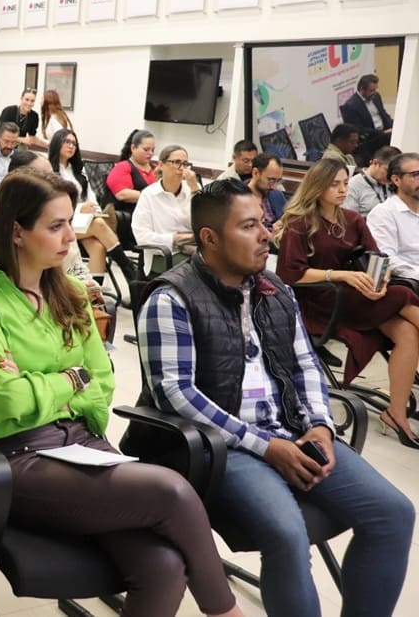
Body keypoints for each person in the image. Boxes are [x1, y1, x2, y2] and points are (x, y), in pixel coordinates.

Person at [0, 169, 244, 617]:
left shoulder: (70, 292)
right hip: (15, 459)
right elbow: (4, 399)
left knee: (163, 567)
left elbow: (101, 381)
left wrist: (46, 384)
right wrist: (71, 380)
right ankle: (225, 612)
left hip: (85, 448)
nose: (72, 236)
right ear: (17, 232)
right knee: (173, 491)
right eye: (56, 226)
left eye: (70, 222)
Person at [137, 178, 414, 617]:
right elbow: (176, 393)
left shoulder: (276, 290)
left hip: (291, 430)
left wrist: (320, 424)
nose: (266, 235)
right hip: (221, 448)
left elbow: (306, 365)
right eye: (249, 226)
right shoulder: (171, 298)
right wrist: (265, 446)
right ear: (210, 238)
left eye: (264, 223)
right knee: (287, 533)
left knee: (394, 514)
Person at [275, 158, 419, 448]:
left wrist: (381, 279)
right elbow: (291, 274)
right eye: (334, 185)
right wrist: (341, 275)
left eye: (344, 183)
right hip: (321, 300)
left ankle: (396, 414)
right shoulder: (300, 223)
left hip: (358, 296)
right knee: (403, 295)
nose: (343, 190)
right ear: (318, 187)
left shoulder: (352, 219)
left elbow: (378, 257)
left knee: (408, 332)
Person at [48, 129, 137, 284]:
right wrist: (79, 209)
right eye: (67, 142)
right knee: (99, 225)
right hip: (60, 221)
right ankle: (127, 267)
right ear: (57, 143)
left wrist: (93, 210)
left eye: (74, 143)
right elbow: (51, 203)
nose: (71, 146)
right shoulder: (49, 170)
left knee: (98, 247)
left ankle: (95, 292)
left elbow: (91, 197)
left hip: (82, 222)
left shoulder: (78, 170)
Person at [132, 144, 199, 265]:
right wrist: (175, 239)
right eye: (176, 162)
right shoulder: (149, 195)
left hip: (193, 250)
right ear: (161, 165)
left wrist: (195, 189)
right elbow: (142, 237)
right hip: (163, 254)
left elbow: (205, 222)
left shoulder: (192, 189)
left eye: (185, 164)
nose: (182, 168)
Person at [367, 152, 419, 283]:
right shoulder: (383, 213)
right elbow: (388, 259)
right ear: (396, 180)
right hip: (408, 280)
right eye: (416, 175)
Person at [340, 74, 394, 162]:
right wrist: (383, 133)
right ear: (362, 89)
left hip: (384, 131)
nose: (375, 92)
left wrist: (393, 125)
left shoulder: (376, 97)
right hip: (371, 138)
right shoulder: (351, 106)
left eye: (376, 89)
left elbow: (383, 113)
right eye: (372, 90)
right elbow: (359, 129)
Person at [104, 129, 157, 213]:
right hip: (130, 215)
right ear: (133, 148)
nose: (150, 153)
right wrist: (154, 197)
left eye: (153, 150)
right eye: (146, 149)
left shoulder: (156, 168)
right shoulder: (122, 167)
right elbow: (122, 194)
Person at [345, 145, 399, 217]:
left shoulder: (394, 184)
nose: (391, 177)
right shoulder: (353, 185)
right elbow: (350, 219)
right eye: (387, 171)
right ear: (375, 163)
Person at [245, 152, 286, 233]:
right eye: (271, 180)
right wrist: (271, 236)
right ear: (255, 173)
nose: (274, 187)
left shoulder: (277, 195)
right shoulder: (237, 197)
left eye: (278, 181)